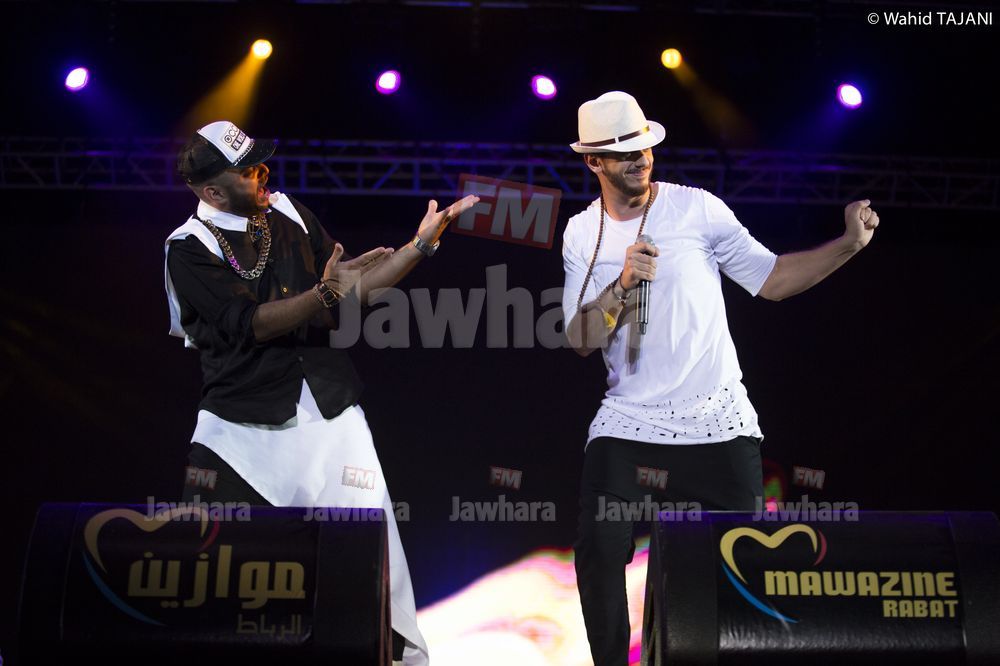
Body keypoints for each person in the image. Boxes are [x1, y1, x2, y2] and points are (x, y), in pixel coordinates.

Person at [561, 91, 879, 665]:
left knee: (743, 569)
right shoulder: (582, 233)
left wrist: (849, 246)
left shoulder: (697, 209)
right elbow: (581, 339)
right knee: (599, 548)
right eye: (624, 152)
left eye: (644, 147)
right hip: (628, 424)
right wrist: (621, 286)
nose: (640, 159)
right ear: (594, 161)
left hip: (716, 421)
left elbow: (773, 280)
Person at [165, 120, 477, 666]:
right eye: (247, 169)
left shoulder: (288, 211)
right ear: (212, 191)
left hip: (329, 410)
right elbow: (251, 323)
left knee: (371, 561)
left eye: (260, 160)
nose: (262, 171)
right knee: (222, 582)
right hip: (242, 427)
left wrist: (419, 246)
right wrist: (324, 294)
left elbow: (351, 288)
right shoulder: (188, 248)